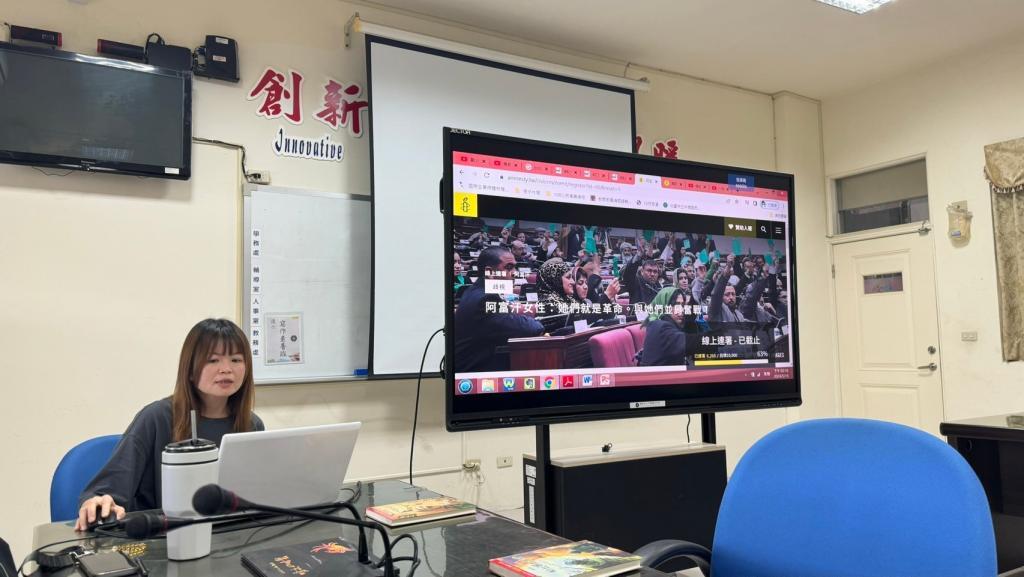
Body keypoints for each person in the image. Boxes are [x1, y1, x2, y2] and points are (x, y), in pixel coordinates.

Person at [76, 318, 264, 530]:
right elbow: (108, 490)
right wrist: (98, 501)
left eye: (236, 360)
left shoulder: (252, 425)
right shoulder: (156, 418)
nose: (226, 369)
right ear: (190, 369)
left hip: (233, 535)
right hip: (164, 537)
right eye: (213, 360)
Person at [453, 246, 544, 371]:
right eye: (509, 267)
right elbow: (533, 328)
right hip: (475, 375)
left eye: (515, 267)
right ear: (490, 272)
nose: (514, 273)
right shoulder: (485, 300)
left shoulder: (474, 290)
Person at [638, 288, 697, 366]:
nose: (681, 310)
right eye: (676, 304)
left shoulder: (669, 323)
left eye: (682, 305)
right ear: (664, 305)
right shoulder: (659, 326)